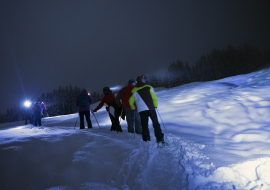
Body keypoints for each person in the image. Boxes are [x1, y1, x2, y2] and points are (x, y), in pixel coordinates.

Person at [129, 75, 165, 145]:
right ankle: (159, 139)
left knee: (144, 125)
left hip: (141, 110)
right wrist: (155, 105)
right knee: (156, 124)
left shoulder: (133, 90)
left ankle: (146, 139)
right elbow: (154, 97)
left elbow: (130, 101)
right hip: (151, 108)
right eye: (143, 79)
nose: (144, 80)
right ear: (142, 80)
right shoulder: (149, 87)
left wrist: (133, 108)